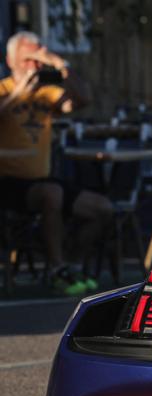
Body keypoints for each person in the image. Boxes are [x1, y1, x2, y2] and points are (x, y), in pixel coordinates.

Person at [0, 31, 112, 295]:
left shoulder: (46, 93)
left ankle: (68, 264)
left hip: (43, 180)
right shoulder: (4, 88)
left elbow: (83, 99)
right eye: (29, 59)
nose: (35, 66)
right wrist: (21, 89)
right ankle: (56, 267)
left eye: (38, 59)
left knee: (102, 208)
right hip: (7, 182)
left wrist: (60, 64)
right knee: (52, 193)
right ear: (10, 60)